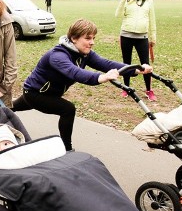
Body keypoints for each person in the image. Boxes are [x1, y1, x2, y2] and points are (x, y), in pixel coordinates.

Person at [12, 18, 153, 151]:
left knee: (9, 107)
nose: (92, 42)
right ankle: (67, 149)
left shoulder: (84, 53)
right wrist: (102, 77)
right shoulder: (58, 55)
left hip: (47, 93)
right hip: (35, 94)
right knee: (68, 109)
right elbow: (75, 73)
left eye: (93, 38)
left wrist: (137, 69)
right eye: (87, 38)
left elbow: (106, 63)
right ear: (74, 38)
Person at [115, 0, 157, 101]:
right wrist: (123, 0)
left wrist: (153, 37)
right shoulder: (127, 0)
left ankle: (149, 90)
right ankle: (126, 88)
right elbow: (117, 15)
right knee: (126, 63)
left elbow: (152, 20)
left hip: (142, 37)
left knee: (145, 64)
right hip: (126, 35)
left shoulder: (149, 1)